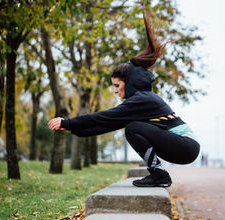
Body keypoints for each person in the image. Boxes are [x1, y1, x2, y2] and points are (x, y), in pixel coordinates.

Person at [48, 9, 200, 187]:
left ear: (130, 82)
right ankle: (159, 174)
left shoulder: (143, 100)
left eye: (117, 86)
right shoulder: (140, 101)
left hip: (186, 146)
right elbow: (108, 124)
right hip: (184, 147)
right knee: (131, 127)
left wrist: (68, 122)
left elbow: (104, 116)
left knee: (132, 128)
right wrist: (75, 130)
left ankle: (159, 175)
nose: (115, 91)